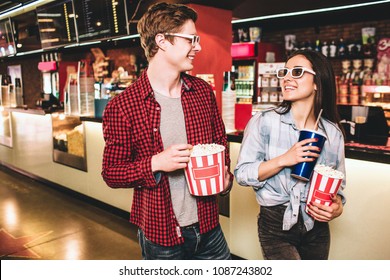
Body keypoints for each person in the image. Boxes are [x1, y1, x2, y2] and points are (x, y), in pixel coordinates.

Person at [101, 2, 233, 260]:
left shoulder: (202, 93)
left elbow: (220, 142)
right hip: (161, 235)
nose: (198, 46)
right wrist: (156, 163)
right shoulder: (124, 105)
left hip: (209, 227)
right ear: (162, 41)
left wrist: (225, 179)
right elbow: (111, 173)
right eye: (191, 39)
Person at [234, 49, 346, 260]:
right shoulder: (264, 121)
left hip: (317, 225)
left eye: (296, 72)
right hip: (276, 224)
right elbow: (241, 173)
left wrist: (336, 206)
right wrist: (285, 159)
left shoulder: (332, 134)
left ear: (317, 82)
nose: (286, 78)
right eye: (284, 72)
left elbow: (338, 186)